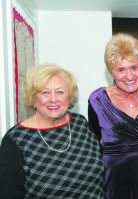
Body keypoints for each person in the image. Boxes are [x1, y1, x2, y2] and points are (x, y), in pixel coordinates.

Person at [0, 64, 104, 199]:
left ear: (69, 96)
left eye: (60, 92)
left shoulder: (81, 123)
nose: (53, 99)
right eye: (45, 92)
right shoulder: (16, 139)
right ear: (33, 98)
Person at [88, 33, 138, 199]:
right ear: (111, 71)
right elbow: (94, 145)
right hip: (118, 179)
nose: (130, 76)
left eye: (134, 67)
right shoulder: (97, 100)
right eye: (121, 70)